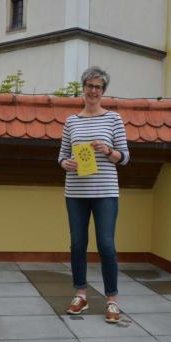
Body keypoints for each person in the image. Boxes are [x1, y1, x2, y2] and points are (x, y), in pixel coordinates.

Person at [58, 66, 130, 323]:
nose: (93, 91)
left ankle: (112, 299)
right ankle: (81, 295)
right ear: (83, 88)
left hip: (105, 192)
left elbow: (125, 157)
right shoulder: (71, 121)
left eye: (98, 87)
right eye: (89, 85)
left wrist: (109, 151)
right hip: (76, 192)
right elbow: (62, 155)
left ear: (103, 91)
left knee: (106, 245)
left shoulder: (113, 119)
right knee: (77, 244)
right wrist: (66, 163)